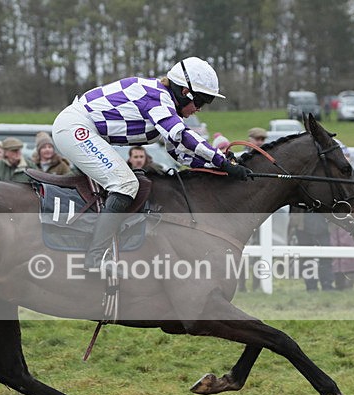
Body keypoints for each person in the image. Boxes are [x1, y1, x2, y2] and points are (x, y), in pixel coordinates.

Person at [51, 56, 250, 272]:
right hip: (75, 127)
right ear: (185, 92)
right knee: (125, 184)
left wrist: (219, 167)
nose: (200, 109)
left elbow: (179, 153)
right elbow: (182, 136)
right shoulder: (155, 96)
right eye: (201, 101)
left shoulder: (164, 104)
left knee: (124, 183)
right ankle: (95, 258)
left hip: (80, 128)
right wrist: (221, 161)